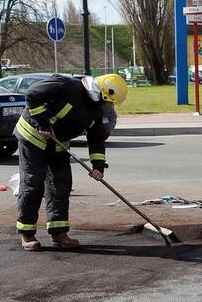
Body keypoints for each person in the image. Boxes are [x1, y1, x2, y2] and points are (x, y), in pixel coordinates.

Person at [14, 73, 128, 250]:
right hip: (33, 137)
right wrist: (43, 124)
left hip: (58, 144)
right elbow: (32, 94)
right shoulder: (66, 85)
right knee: (33, 183)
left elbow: (96, 139)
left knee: (61, 185)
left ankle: (58, 232)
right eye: (110, 102)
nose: (110, 106)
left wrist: (98, 167)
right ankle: (27, 233)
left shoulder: (97, 111)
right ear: (103, 93)